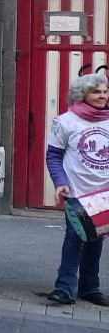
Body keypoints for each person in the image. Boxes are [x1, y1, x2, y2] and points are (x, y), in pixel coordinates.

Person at [45, 73, 109, 307]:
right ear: (82, 94)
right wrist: (59, 181)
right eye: (96, 92)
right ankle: (64, 288)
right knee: (75, 237)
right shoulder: (65, 121)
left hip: (104, 193)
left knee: (96, 239)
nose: (102, 96)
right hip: (77, 192)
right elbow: (53, 156)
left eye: (105, 91)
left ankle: (89, 288)